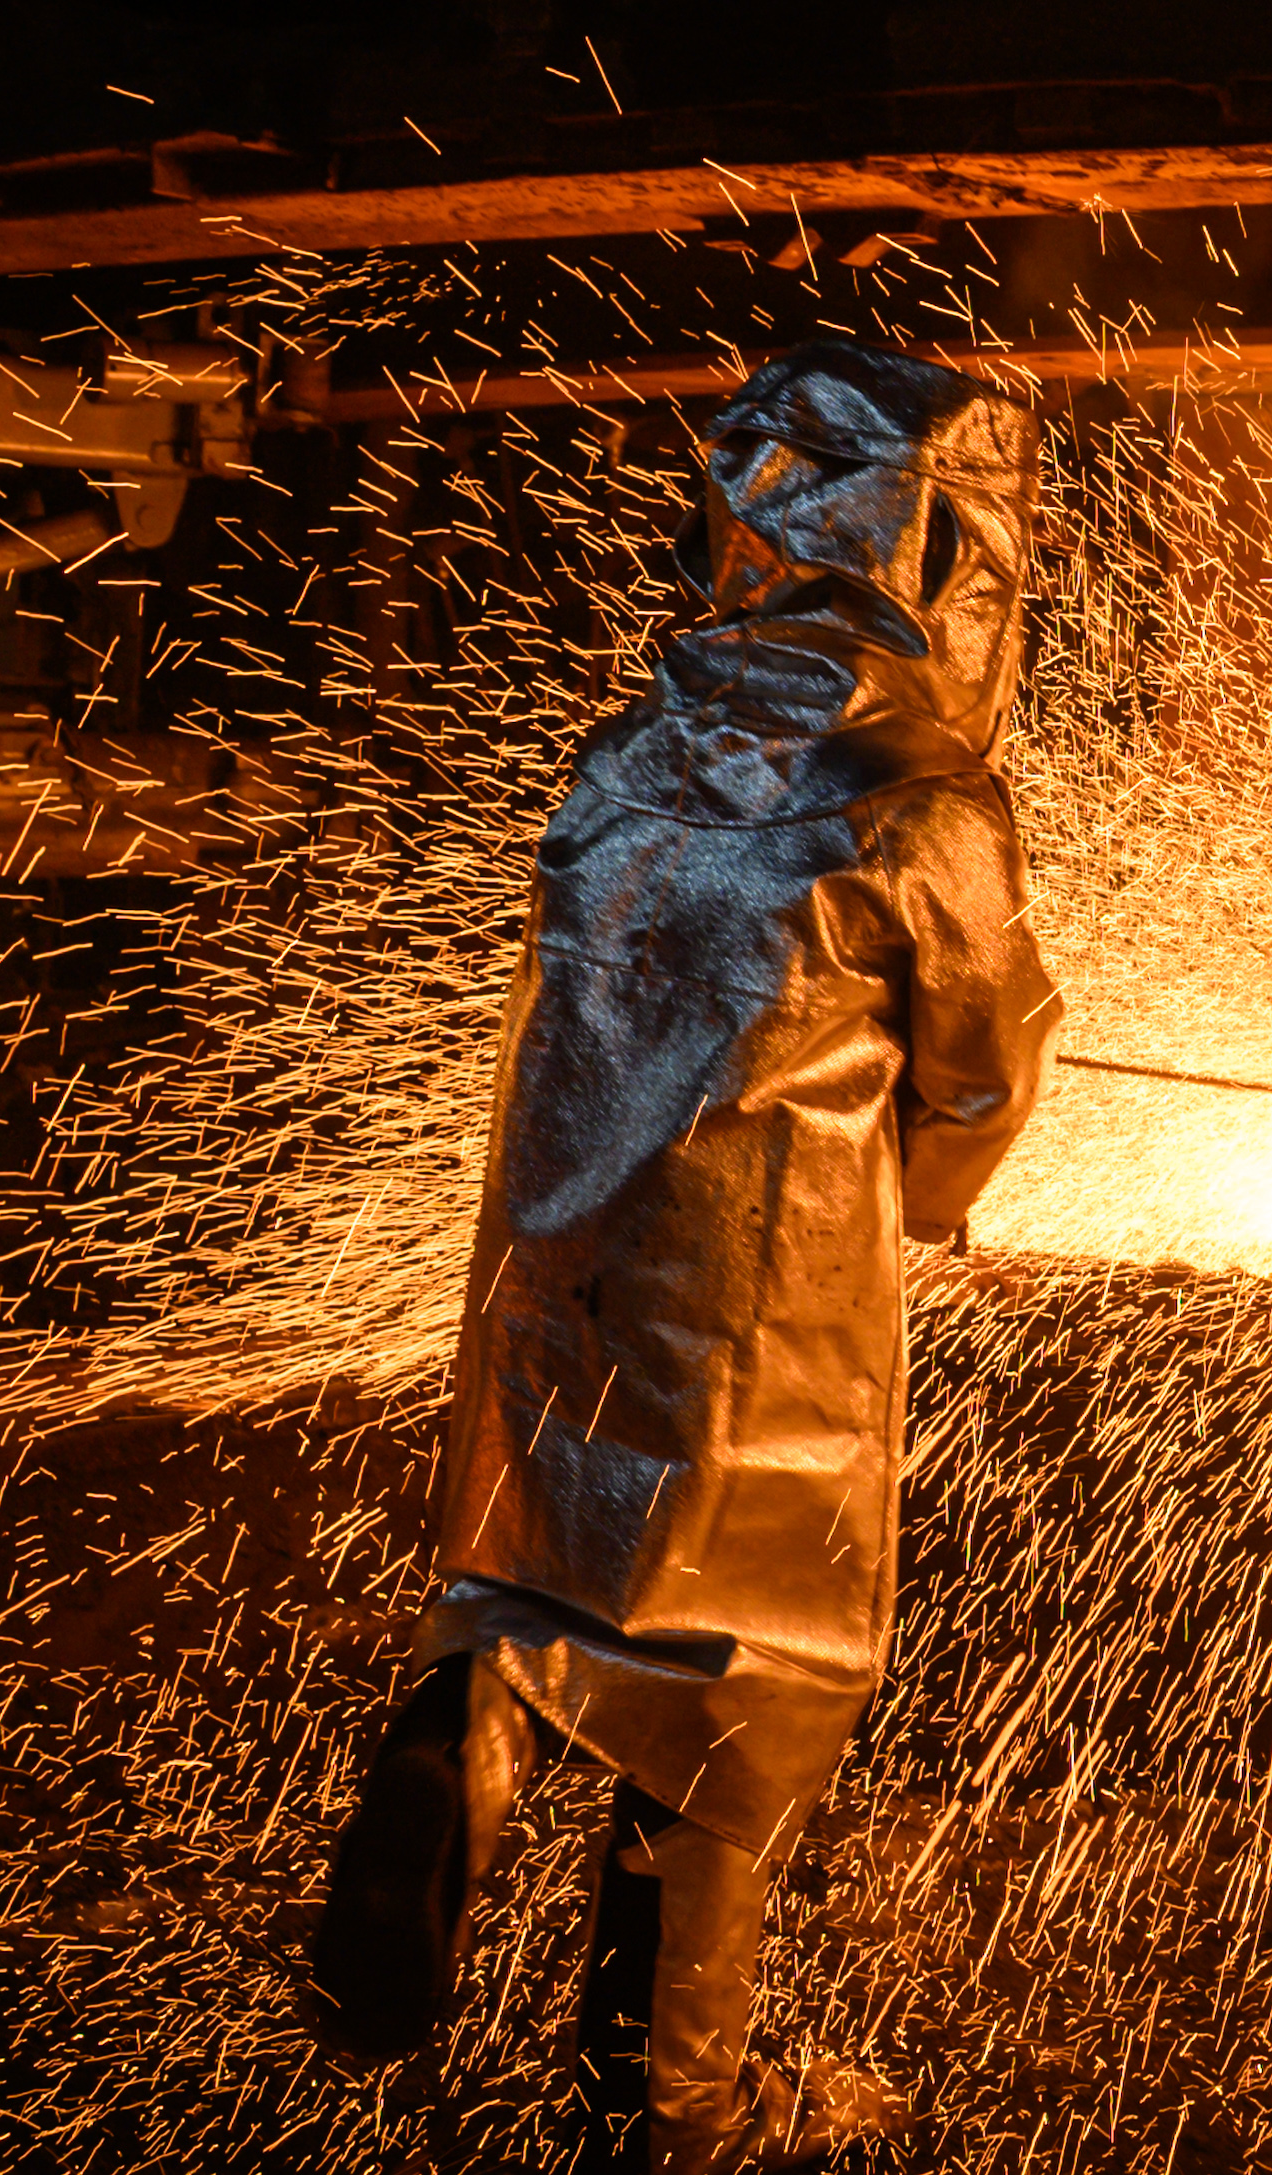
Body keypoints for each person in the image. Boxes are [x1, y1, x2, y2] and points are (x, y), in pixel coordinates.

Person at [310, 339, 1063, 2171]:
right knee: (750, 1680)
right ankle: (671, 2118)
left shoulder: (633, 756)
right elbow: (976, 1075)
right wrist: (944, 1203)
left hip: (561, 1264)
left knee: (558, 1575)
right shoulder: (921, 804)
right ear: (953, 557)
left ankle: (481, 1712)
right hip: (761, 1294)